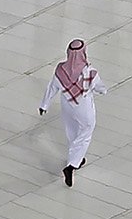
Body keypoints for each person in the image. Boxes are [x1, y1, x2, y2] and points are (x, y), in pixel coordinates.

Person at [39, 40, 108, 187]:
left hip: (67, 106)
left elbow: (52, 88)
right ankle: (72, 165)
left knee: (72, 132)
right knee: (85, 133)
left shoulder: (60, 70)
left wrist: (44, 105)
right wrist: (103, 91)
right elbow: (100, 87)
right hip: (84, 107)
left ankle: (78, 157)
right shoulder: (89, 72)